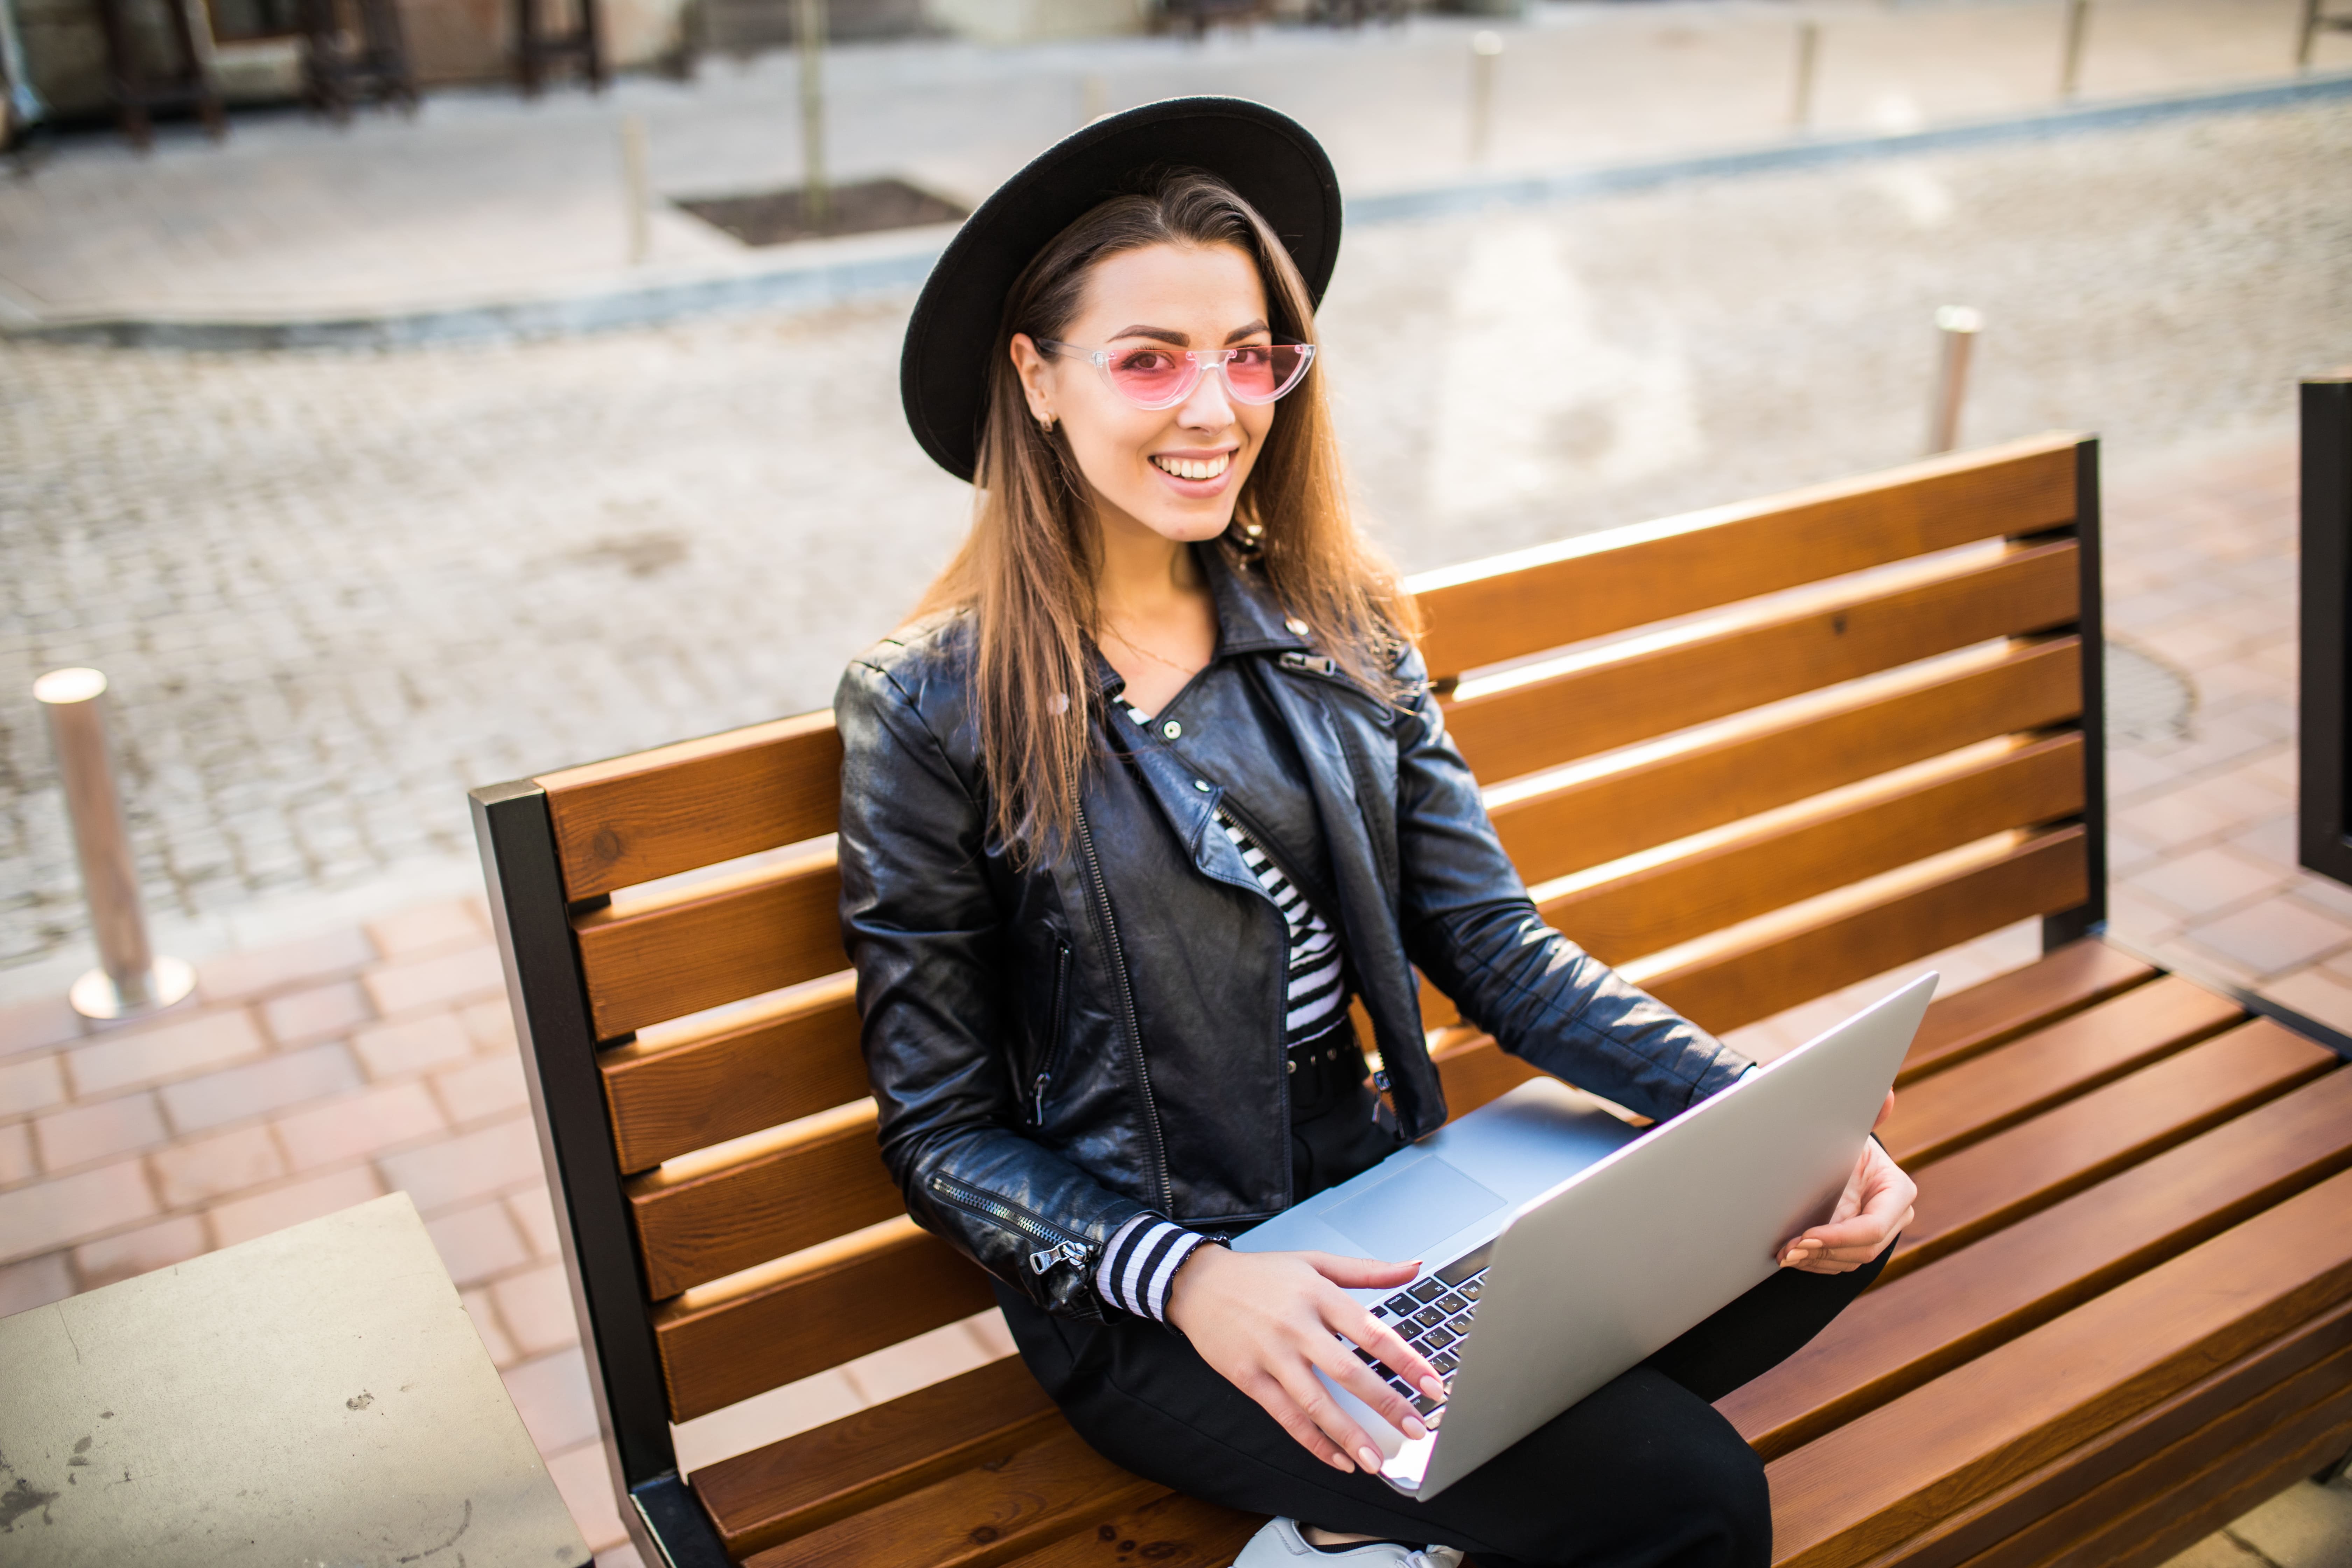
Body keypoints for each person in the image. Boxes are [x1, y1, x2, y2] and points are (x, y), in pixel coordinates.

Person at [836, 98, 1917, 1568]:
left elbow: (1494, 945)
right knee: (1694, 1495)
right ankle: (1418, 1492)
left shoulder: (1337, 620)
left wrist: (1757, 1110)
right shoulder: (930, 707)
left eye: (1249, 354)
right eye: (1150, 357)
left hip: (1390, 1203)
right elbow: (943, 1131)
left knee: (1814, 1229)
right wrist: (1200, 1279)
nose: (1213, 409)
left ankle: (1380, 1516)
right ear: (1035, 377)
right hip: (1160, 1297)